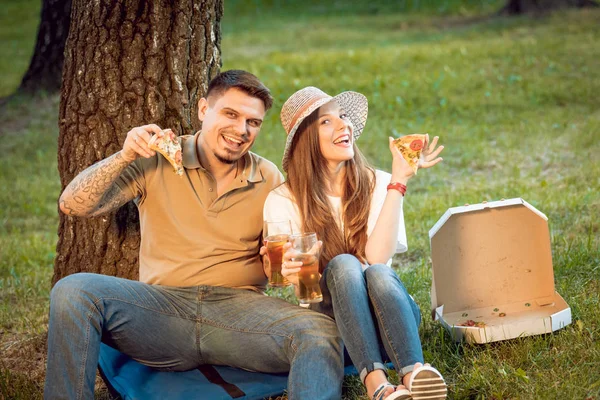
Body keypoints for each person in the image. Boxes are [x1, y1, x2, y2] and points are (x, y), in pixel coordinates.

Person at [44, 72, 344, 400]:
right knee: (74, 290)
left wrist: (287, 267)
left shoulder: (268, 176)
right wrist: (125, 154)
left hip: (239, 314)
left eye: (253, 122)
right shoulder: (157, 157)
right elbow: (72, 205)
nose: (241, 130)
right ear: (203, 109)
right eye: (230, 114)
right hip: (162, 312)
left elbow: (284, 260)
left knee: (319, 332)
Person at [263, 86, 448, 400]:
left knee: (375, 272)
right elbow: (294, 284)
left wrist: (398, 181)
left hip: (392, 319)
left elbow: (377, 259)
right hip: (335, 327)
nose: (343, 125)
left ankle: (413, 373)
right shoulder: (283, 200)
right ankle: (377, 384)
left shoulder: (378, 182)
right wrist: (287, 271)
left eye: (344, 117)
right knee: (346, 264)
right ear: (305, 139)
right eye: (326, 121)